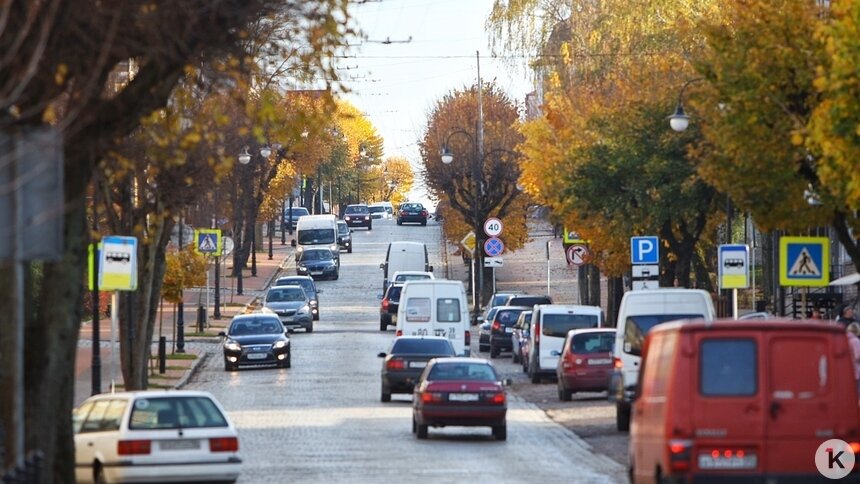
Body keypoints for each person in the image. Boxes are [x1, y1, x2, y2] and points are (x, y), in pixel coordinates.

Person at [846, 323, 860, 392]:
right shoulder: (855, 341)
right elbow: (858, 356)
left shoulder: (844, 339)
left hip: (846, 370)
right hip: (856, 371)